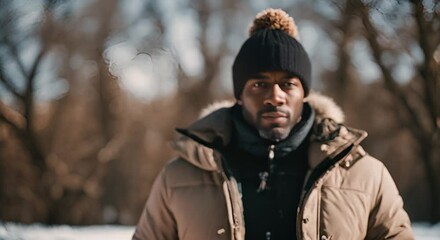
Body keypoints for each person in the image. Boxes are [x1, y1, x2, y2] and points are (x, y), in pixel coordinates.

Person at [132, 8, 414, 240]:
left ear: (304, 93)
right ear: (240, 95)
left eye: (288, 84)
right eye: (259, 83)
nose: (275, 96)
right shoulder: (179, 176)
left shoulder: (365, 174)